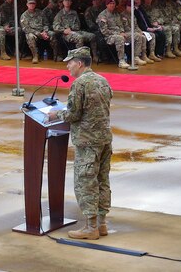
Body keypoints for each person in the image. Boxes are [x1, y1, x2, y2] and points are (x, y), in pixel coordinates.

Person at [47, 47, 113, 240]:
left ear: (80, 63)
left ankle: (90, 228)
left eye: (70, 62)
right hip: (104, 139)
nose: (68, 66)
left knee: (85, 182)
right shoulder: (102, 80)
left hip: (87, 141)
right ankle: (102, 224)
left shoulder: (80, 84)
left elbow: (73, 114)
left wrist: (55, 114)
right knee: (102, 181)